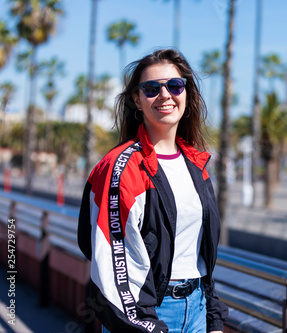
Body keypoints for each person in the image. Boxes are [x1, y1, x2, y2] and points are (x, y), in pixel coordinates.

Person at [78, 49, 228, 333]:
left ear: (186, 93)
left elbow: (199, 254)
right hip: (147, 315)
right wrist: (145, 324)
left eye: (174, 85)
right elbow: (109, 263)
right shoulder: (121, 168)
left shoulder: (198, 166)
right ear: (137, 99)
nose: (164, 95)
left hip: (196, 311)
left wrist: (214, 319)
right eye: (151, 88)